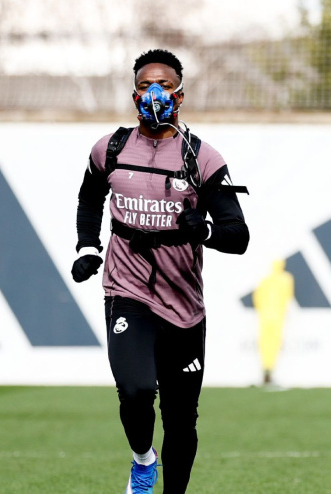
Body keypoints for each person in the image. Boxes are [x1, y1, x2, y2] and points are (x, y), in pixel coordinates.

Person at [71, 48, 249, 494]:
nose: (155, 92)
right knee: (133, 390)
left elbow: (238, 235)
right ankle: (142, 461)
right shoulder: (109, 148)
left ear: (181, 95)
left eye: (165, 85)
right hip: (125, 287)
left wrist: (204, 229)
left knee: (181, 420)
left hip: (184, 306)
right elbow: (90, 198)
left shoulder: (202, 158)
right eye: (147, 84)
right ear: (134, 95)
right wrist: (87, 246)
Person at [253, 259, 294, 386]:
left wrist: (262, 310)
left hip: (264, 316)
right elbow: (289, 296)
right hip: (277, 316)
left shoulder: (265, 279)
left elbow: (257, 297)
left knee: (265, 344)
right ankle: (270, 371)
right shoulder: (287, 278)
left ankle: (266, 370)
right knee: (274, 344)